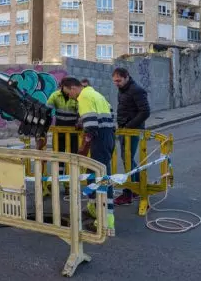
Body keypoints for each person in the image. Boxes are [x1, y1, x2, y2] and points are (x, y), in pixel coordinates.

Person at [64, 77, 116, 235]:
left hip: (99, 139)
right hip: (108, 137)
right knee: (95, 175)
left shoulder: (84, 97)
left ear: (73, 88)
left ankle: (106, 221)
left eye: (68, 93)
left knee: (102, 178)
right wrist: (82, 121)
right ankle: (94, 208)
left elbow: (91, 127)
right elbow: (110, 114)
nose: (70, 97)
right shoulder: (97, 95)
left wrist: (83, 148)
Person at [112, 67, 150, 206]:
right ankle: (137, 187)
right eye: (115, 81)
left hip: (132, 131)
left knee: (128, 159)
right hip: (124, 129)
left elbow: (145, 112)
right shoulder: (123, 90)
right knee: (127, 159)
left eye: (119, 80)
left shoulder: (136, 90)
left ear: (126, 77)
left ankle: (129, 192)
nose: (116, 83)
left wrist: (129, 126)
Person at [46, 77, 80, 153]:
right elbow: (47, 110)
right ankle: (59, 165)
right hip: (59, 128)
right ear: (62, 86)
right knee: (58, 152)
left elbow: (80, 112)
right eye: (65, 86)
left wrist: (79, 122)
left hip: (73, 129)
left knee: (73, 153)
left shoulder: (75, 96)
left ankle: (72, 165)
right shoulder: (55, 95)